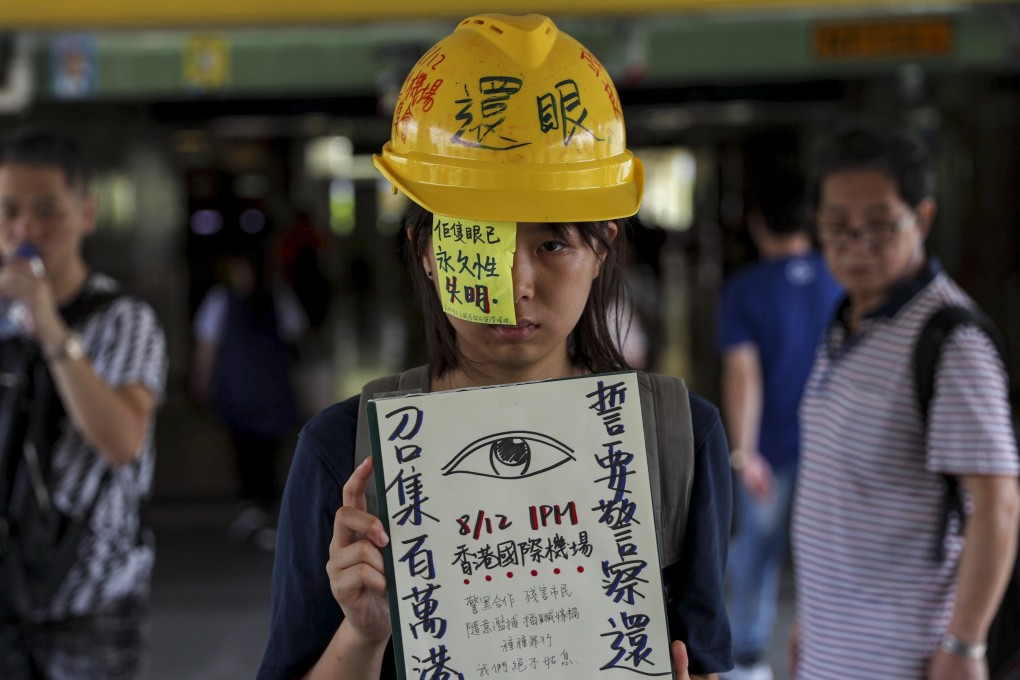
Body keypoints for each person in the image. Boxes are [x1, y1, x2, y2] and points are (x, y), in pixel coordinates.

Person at [257, 13, 733, 680]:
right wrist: (363, 634)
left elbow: (703, 659)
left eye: (552, 243)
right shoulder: (347, 452)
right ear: (426, 251)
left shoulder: (676, 438)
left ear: (602, 252)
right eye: (480, 242)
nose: (517, 285)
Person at [790, 125, 1020, 679]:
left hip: (905, 658)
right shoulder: (847, 322)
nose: (857, 246)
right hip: (832, 649)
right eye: (838, 228)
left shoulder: (950, 343)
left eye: (879, 226)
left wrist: (966, 645)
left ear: (922, 218)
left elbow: (998, 503)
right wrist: (809, 623)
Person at [0, 126, 168, 678]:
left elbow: (122, 440)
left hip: (93, 598)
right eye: (8, 211)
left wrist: (49, 328)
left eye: (47, 211)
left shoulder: (126, 319)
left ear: (86, 213)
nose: (25, 229)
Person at [717, 176, 841, 680]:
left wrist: (744, 454)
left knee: (757, 555)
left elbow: (744, 375)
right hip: (833, 452)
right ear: (812, 222)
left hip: (771, 451)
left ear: (757, 225)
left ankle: (747, 659)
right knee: (829, 556)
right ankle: (826, 655)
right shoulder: (844, 279)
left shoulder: (745, 290)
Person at [190, 247, 307, 549]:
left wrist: (201, 378)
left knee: (245, 447)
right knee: (267, 449)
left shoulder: (221, 300)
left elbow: (207, 343)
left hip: (238, 387)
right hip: (271, 387)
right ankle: (262, 507)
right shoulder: (277, 298)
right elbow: (297, 334)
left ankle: (252, 506)